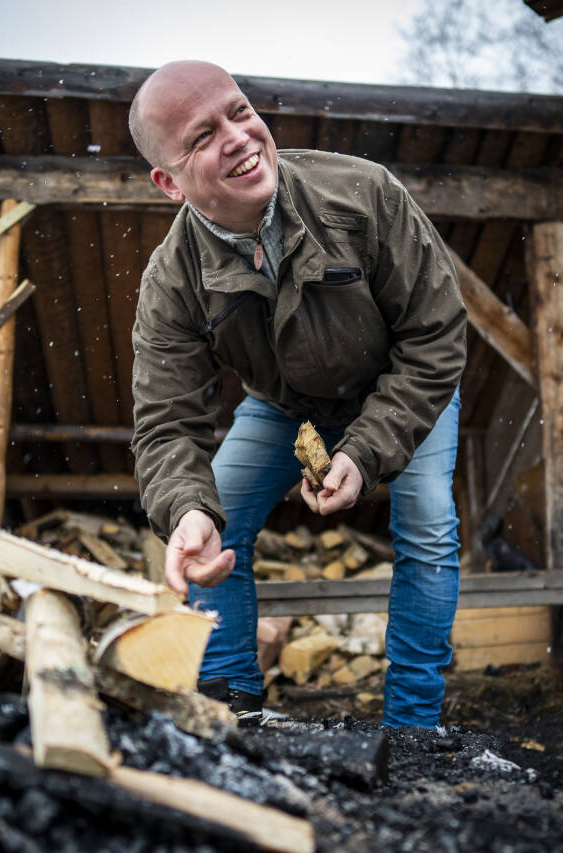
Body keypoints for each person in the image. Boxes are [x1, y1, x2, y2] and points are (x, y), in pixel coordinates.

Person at [127, 60, 466, 728]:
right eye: (201, 137)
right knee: (211, 525)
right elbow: (166, 425)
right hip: (285, 408)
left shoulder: (364, 193)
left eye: (241, 110)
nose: (239, 136)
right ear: (168, 181)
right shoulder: (171, 281)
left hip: (407, 387)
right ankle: (231, 703)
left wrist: (367, 451)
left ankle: (413, 726)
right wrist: (187, 507)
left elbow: (436, 335)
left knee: (427, 527)